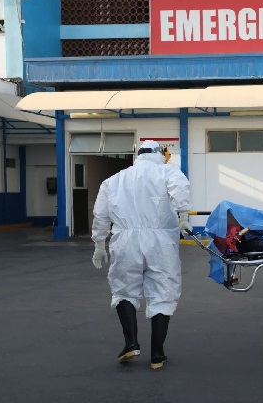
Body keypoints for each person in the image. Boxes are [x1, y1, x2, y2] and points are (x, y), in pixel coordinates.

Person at [91, 140, 192, 370]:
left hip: (125, 241)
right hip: (161, 241)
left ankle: (131, 343)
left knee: (124, 289)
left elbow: (101, 214)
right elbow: (180, 190)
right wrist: (184, 218)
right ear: (159, 153)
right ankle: (157, 354)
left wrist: (99, 243)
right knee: (163, 291)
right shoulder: (167, 171)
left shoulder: (114, 180)